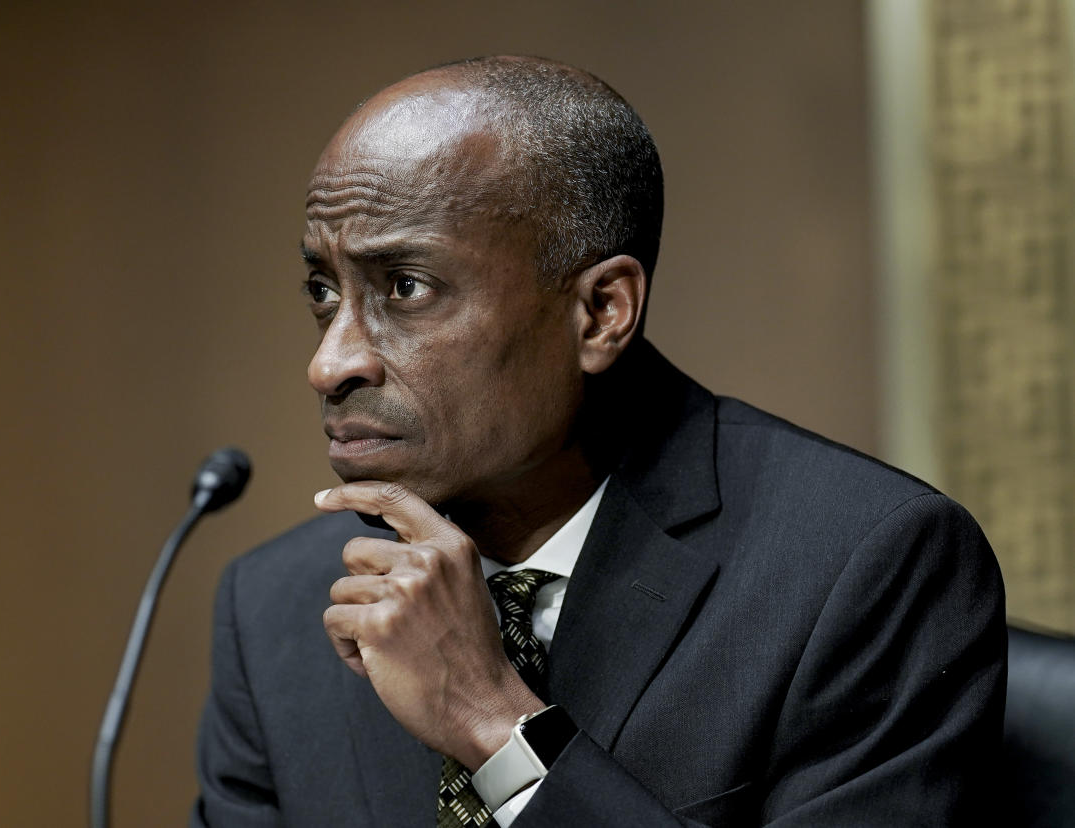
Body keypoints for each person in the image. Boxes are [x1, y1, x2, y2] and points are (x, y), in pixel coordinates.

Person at [191, 56, 1005, 827]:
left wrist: (495, 724)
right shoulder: (275, 611)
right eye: (322, 291)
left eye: (406, 288)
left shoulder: (865, 567)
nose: (329, 361)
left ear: (601, 312)